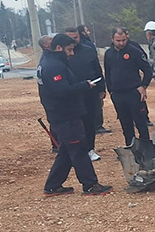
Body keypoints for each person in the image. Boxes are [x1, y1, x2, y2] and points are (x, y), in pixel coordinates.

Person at [38, 33, 111, 196]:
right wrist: (84, 86)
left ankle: (52, 185)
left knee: (66, 150)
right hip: (65, 115)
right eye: (69, 50)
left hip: (65, 114)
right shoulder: (53, 66)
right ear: (58, 48)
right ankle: (90, 184)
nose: (72, 54)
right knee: (78, 149)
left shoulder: (53, 63)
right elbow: (61, 91)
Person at [103, 26, 153, 149]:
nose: (121, 43)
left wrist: (143, 86)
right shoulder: (108, 54)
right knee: (126, 124)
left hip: (133, 93)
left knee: (140, 123)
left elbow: (147, 70)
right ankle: (130, 148)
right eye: (118, 40)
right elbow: (108, 73)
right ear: (112, 39)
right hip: (118, 94)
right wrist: (111, 91)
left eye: (123, 40)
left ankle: (145, 149)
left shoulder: (134, 51)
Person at [65, 26, 104, 162]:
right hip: (72, 94)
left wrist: (101, 89)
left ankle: (90, 149)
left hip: (90, 92)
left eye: (75, 38)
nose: (73, 41)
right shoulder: (62, 55)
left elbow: (97, 70)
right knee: (75, 123)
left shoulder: (89, 50)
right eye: (70, 38)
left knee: (90, 122)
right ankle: (76, 151)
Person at [80, 24, 112, 135]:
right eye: (86, 30)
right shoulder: (88, 46)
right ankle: (97, 125)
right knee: (96, 105)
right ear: (82, 33)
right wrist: (101, 86)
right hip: (91, 82)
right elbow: (96, 67)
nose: (88, 32)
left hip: (87, 83)